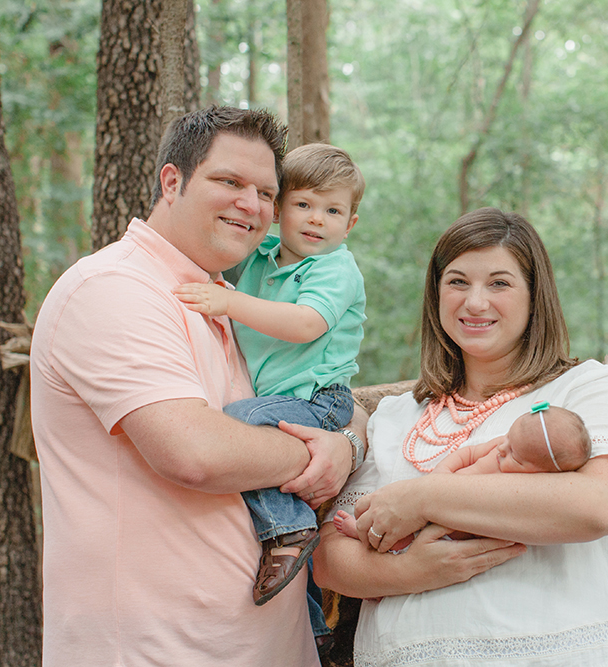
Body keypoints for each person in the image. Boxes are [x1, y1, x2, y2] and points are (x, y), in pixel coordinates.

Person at [30, 106, 365, 667]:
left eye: (265, 191)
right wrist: (320, 453)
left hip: (257, 647)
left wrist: (347, 442)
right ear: (172, 181)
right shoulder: (116, 288)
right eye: (229, 181)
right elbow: (197, 453)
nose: (251, 204)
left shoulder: (219, 298)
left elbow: (325, 395)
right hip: (154, 650)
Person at [312, 207, 608, 666]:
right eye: (457, 282)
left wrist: (425, 497)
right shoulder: (395, 417)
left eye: (499, 283)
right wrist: (406, 571)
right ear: (435, 294)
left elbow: (599, 505)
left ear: (536, 296)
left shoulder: (587, 388)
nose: (475, 302)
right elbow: (330, 557)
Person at [172, 143, 366, 644]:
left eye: (333, 211)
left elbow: (305, 324)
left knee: (237, 420)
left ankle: (292, 529)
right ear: (278, 210)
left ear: (351, 223)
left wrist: (229, 302)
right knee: (277, 557)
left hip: (317, 399)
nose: (317, 220)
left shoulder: (333, 268)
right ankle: (314, 631)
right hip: (281, 399)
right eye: (304, 205)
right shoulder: (259, 257)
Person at [331, 403, 591, 552]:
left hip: (459, 525)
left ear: (540, 474)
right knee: (401, 516)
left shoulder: (524, 487)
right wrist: (442, 475)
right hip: (433, 495)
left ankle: (382, 561)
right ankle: (362, 530)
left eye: (515, 456)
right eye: (508, 439)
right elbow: (468, 454)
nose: (502, 448)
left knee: (414, 542)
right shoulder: (501, 447)